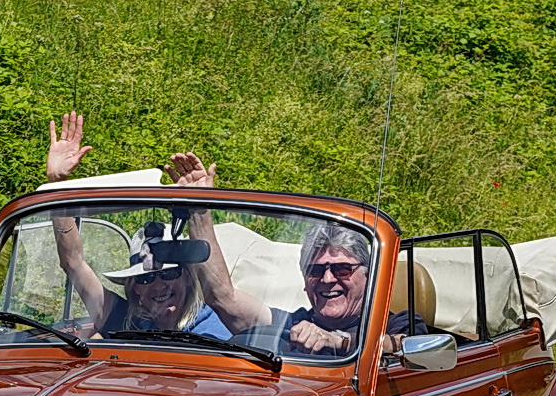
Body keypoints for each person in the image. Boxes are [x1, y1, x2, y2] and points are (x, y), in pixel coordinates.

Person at [163, 153, 422, 357]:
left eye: (342, 269)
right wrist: (198, 208)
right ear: (305, 280)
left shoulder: (398, 324)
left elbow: (406, 345)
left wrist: (339, 342)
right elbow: (222, 297)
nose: (328, 279)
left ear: (367, 276)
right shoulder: (293, 323)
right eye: (316, 271)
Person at [44, 112, 232, 340]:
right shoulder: (127, 321)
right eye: (145, 279)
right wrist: (57, 185)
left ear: (187, 277)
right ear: (134, 289)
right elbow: (73, 263)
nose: (159, 285)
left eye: (170, 273)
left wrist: (199, 207)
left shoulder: (217, 327)